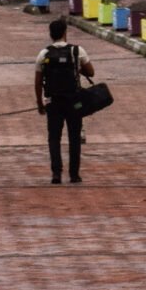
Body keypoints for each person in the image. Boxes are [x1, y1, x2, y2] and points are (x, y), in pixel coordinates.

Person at [34, 17, 96, 185]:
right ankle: (74, 174)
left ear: (51, 34)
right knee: (74, 137)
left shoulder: (44, 54)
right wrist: (77, 68)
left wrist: (40, 103)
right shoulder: (77, 51)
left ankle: (56, 174)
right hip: (74, 101)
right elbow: (91, 72)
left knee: (54, 137)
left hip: (53, 102)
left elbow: (38, 82)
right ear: (64, 33)